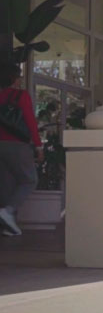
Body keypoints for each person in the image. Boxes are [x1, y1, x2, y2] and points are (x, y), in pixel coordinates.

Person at [0, 63, 44, 236]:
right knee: (29, 180)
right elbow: (30, 121)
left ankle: (9, 227)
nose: (20, 80)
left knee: (7, 184)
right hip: (17, 144)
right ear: (13, 79)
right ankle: (8, 211)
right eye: (18, 77)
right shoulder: (21, 96)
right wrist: (38, 146)